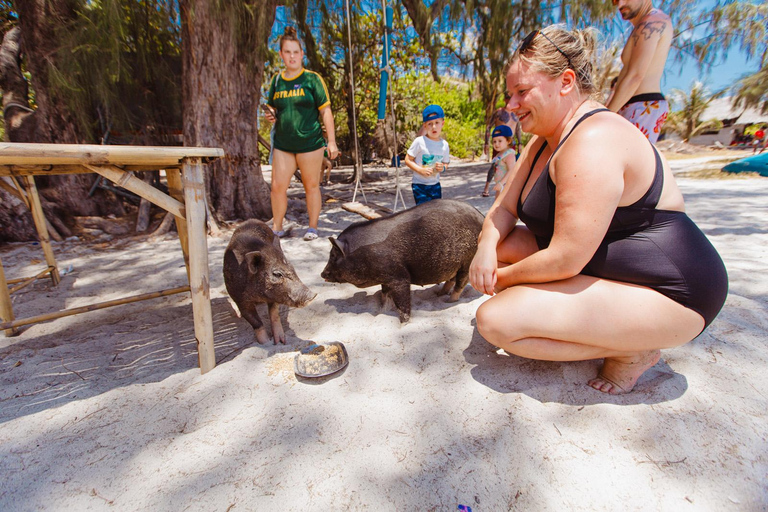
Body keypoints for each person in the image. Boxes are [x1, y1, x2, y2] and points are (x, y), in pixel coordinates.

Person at [470, 26, 728, 395]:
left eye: (522, 92)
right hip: (607, 267)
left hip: (673, 292)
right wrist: (484, 251)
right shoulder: (544, 140)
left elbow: (565, 259)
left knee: (495, 321)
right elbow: (503, 207)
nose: (511, 105)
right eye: (511, 94)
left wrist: (500, 280)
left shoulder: (594, 139)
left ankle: (632, 352)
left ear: (565, 81)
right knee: (497, 251)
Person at [263, 26, 339, 241]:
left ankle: (312, 227)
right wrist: (271, 115)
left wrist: (331, 142)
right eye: (287, 52)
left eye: (296, 52)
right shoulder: (276, 81)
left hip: (310, 143)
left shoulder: (312, 79)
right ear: (281, 55)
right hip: (283, 144)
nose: (292, 56)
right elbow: (274, 109)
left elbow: (325, 110)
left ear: (302, 54)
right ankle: (277, 227)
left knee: (311, 185)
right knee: (277, 186)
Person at [606, 0, 673, 143]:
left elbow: (635, 76)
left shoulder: (652, 21)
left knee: (630, 162)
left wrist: (604, 116)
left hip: (643, 105)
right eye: (615, 0)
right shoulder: (646, 22)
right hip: (636, 104)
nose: (620, 5)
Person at [404, 105, 450, 205]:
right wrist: (420, 170)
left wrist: (442, 168)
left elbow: (446, 163)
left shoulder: (444, 145)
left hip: (435, 185)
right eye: (430, 124)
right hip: (419, 185)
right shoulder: (419, 141)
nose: (434, 127)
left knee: (436, 212)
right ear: (425, 126)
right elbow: (407, 159)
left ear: (442, 123)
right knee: (423, 214)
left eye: (437, 123)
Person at [481, 125, 517, 198]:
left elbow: (512, 170)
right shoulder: (500, 155)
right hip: (500, 186)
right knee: (497, 204)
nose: (496, 144)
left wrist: (501, 183)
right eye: (494, 141)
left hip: (506, 186)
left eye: (500, 141)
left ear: (508, 141)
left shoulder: (509, 155)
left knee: (502, 206)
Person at [486, 92, 520, 159]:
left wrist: (520, 143)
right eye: (508, 98)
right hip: (499, 143)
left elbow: (517, 129)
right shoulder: (499, 112)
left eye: (511, 98)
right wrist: (486, 143)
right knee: (497, 165)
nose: (510, 100)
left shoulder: (516, 113)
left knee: (511, 165)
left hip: (511, 143)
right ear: (505, 99)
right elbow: (488, 127)